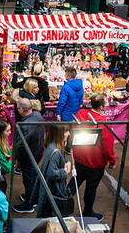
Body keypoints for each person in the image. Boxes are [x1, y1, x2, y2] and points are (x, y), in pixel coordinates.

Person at [68, 94, 116, 222]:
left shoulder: (80, 114)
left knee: (75, 180)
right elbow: (107, 147)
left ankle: (62, 203)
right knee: (91, 188)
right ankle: (88, 212)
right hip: (95, 162)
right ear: (101, 107)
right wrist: (112, 161)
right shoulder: (103, 123)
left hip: (79, 157)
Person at [12, 98, 45, 213]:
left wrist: (16, 159)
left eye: (18, 108)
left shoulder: (25, 126)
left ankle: (28, 205)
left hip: (29, 157)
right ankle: (32, 197)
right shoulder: (37, 115)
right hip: (38, 152)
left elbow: (20, 146)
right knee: (33, 177)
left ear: (21, 110)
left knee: (29, 180)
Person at [37, 124, 72, 218]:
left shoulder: (52, 146)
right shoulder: (56, 151)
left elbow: (60, 160)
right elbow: (52, 173)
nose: (68, 134)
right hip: (54, 190)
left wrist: (67, 161)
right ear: (60, 134)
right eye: (66, 131)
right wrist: (64, 172)